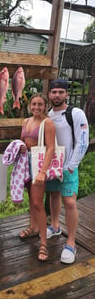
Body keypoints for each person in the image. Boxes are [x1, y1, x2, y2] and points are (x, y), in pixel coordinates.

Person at [46, 78, 89, 264]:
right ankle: (55, 226)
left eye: (60, 92)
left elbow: (83, 141)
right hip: (51, 165)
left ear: (66, 94)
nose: (57, 95)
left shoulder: (76, 113)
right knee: (53, 195)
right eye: (54, 92)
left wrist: (71, 165)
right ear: (49, 94)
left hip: (69, 165)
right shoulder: (48, 114)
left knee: (70, 202)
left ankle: (71, 242)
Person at [19, 93, 56, 261]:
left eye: (40, 104)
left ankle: (43, 243)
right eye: (34, 104)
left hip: (38, 165)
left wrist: (42, 171)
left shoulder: (47, 123)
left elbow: (50, 148)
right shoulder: (26, 121)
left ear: (45, 106)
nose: (36, 107)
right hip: (26, 163)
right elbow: (23, 141)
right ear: (30, 105)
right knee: (31, 200)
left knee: (37, 203)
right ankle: (33, 227)